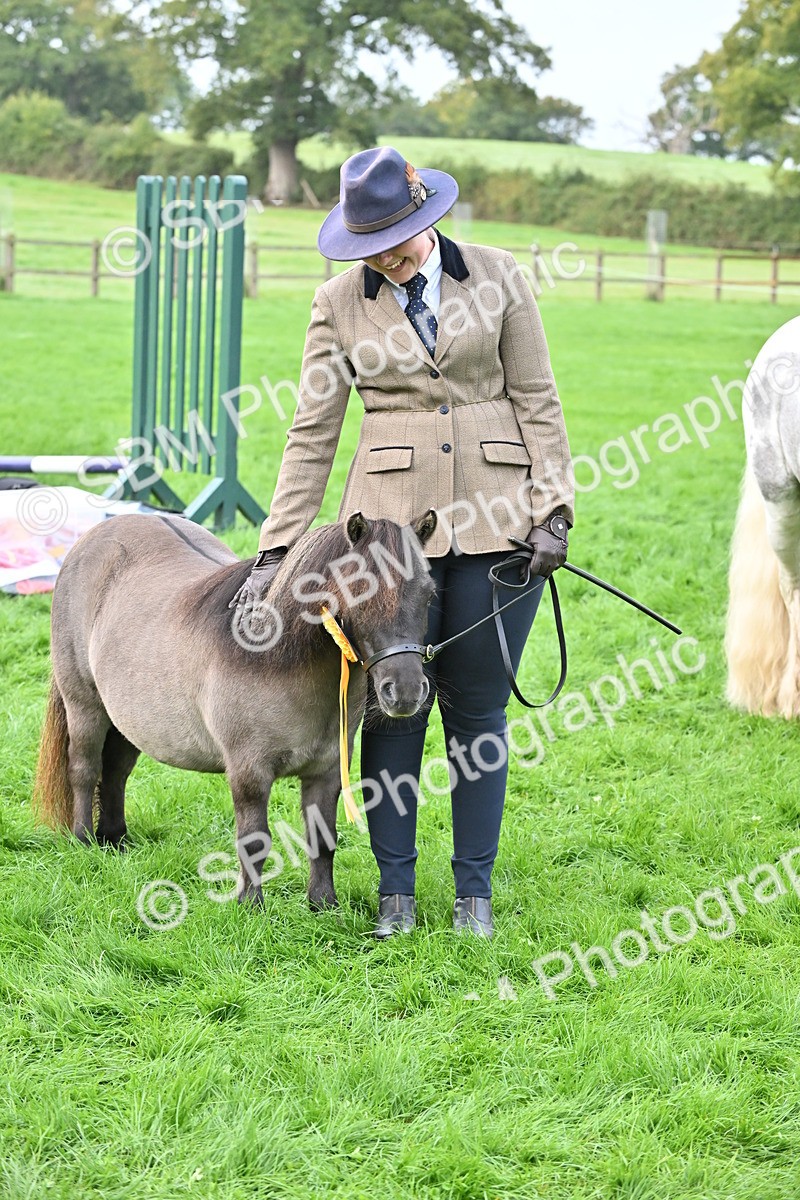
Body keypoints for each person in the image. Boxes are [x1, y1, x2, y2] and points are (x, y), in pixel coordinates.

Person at [232, 145, 574, 939]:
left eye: (397, 240)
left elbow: (538, 399)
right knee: (392, 712)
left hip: (499, 528)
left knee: (478, 712)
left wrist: (553, 510)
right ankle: (396, 896)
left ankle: (474, 896)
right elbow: (312, 432)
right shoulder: (336, 304)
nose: (387, 257)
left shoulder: (499, 275)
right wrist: (278, 548)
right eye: (370, 247)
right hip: (385, 542)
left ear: (428, 216)